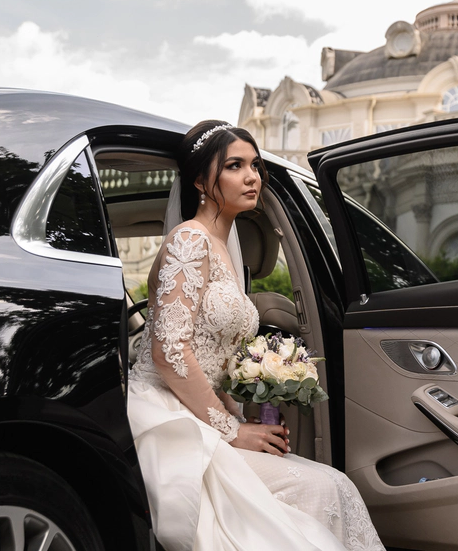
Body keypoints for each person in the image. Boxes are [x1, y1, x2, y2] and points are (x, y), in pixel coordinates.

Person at [128, 120, 385, 551]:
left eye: (254, 165)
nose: (252, 177)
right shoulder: (189, 240)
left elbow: (214, 359)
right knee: (322, 487)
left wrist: (243, 416)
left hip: (203, 412)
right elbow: (169, 350)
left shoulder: (224, 249)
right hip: (169, 416)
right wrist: (231, 430)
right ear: (200, 181)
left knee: (332, 484)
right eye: (234, 165)